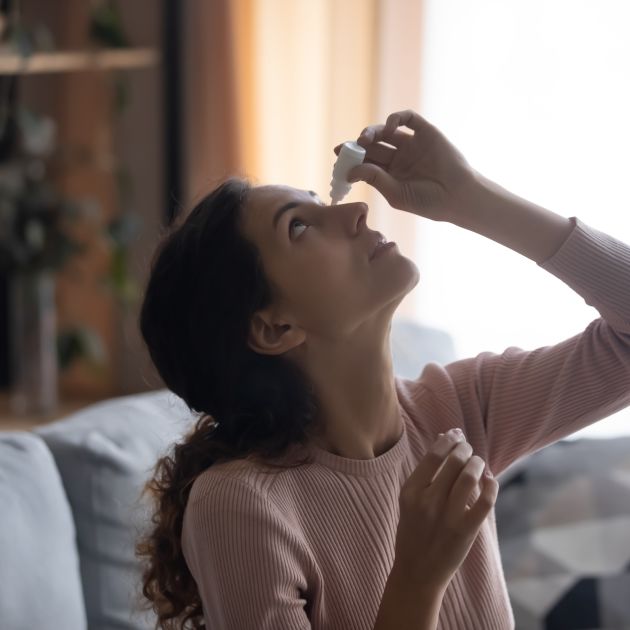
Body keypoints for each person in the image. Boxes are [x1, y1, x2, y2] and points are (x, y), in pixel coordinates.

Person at [135, 109, 630, 630]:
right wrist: (416, 578)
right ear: (274, 328)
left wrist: (470, 198)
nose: (353, 214)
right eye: (298, 227)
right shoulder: (240, 508)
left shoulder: (457, 408)